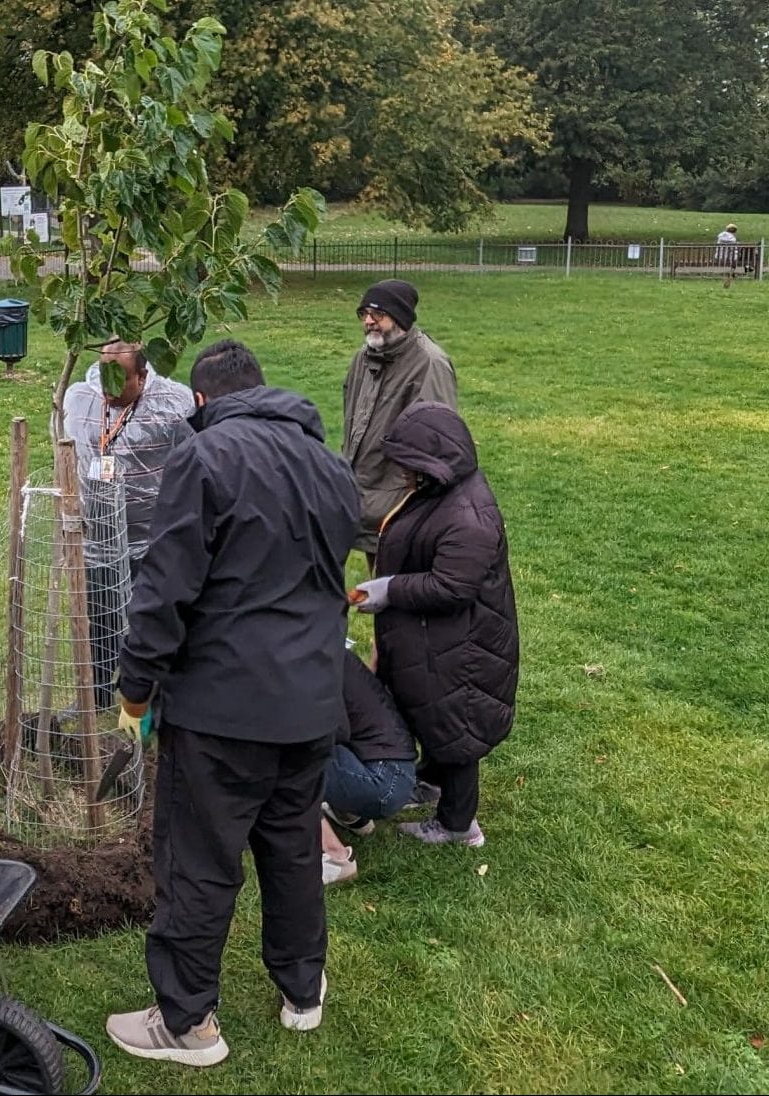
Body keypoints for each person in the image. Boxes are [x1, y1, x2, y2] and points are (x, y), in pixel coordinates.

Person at [106, 339, 359, 1063]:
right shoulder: (330, 465)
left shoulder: (203, 457)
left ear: (202, 402)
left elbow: (165, 585)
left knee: (198, 860)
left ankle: (186, 1022)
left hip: (222, 711)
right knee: (289, 848)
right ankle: (301, 991)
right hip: (310, 701)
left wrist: (134, 686)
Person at [352, 401, 519, 847]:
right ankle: (429, 780)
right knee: (432, 715)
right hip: (438, 643)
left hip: (463, 650)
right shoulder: (441, 494)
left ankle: (458, 825)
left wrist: (391, 589)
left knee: (456, 729)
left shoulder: (469, 517)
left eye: (407, 465)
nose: (401, 473)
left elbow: (452, 587)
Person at [63, 340, 195, 707]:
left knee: (154, 621)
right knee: (101, 616)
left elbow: (196, 461)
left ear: (143, 374)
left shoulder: (174, 404)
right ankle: (98, 692)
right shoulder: (77, 399)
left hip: (155, 538)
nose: (112, 388)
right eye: (106, 377)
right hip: (98, 535)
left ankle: (154, 695)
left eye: (122, 380)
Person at [342, 280, 458, 564]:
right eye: (364, 313)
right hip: (361, 494)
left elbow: (437, 441)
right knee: (375, 588)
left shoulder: (430, 364)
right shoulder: (363, 358)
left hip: (400, 505)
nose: (368, 321)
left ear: (401, 318)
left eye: (377, 314)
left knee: (397, 592)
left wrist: (417, 501)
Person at [319, 652, 419, 886]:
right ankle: (353, 816)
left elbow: (334, 729)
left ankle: (334, 856)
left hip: (382, 780)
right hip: (393, 769)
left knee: (284, 758)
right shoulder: (322, 643)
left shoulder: (305, 659)